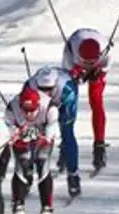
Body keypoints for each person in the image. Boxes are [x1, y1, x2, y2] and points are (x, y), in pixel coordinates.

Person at [4, 86, 59, 214]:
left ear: (38, 105)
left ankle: (47, 211)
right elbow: (10, 130)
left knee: (42, 163)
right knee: (22, 163)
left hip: (43, 133)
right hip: (22, 136)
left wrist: (41, 137)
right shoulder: (12, 108)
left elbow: (51, 132)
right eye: (25, 110)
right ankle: (18, 209)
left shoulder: (49, 107)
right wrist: (19, 135)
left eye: (32, 110)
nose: (28, 114)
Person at [62, 27, 111, 175]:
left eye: (92, 62)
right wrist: (77, 75)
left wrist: (97, 76)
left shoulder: (106, 55)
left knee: (96, 100)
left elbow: (103, 72)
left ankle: (99, 146)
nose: (88, 65)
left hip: (95, 60)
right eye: (85, 62)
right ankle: (66, 143)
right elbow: (67, 76)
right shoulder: (69, 52)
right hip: (75, 59)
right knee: (68, 102)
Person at [26, 65, 80, 197]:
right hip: (39, 105)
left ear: (55, 85)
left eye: (49, 90)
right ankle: (28, 172)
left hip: (63, 102)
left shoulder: (68, 90)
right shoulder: (29, 87)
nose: (45, 93)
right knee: (33, 134)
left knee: (67, 133)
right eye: (42, 90)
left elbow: (67, 117)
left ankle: (73, 175)